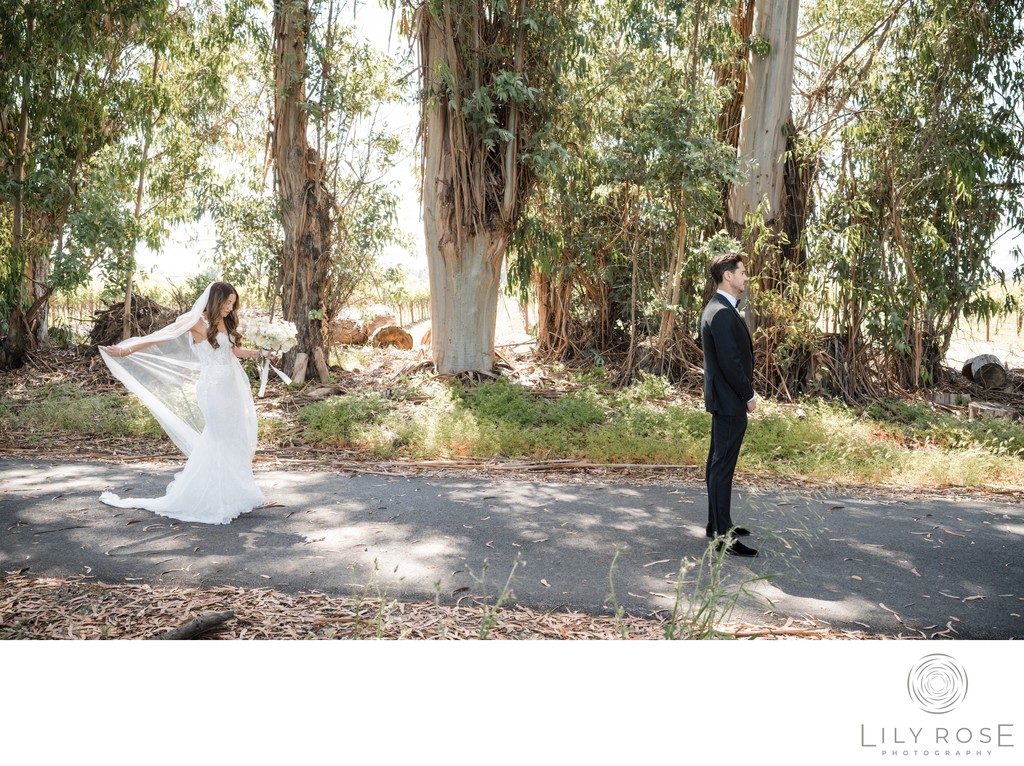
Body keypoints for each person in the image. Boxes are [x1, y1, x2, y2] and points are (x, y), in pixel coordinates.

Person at [98, 281, 269, 524]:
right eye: (227, 302)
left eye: (233, 303)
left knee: (233, 437)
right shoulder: (197, 321)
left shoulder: (226, 322)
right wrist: (127, 350)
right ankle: (211, 499)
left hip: (231, 389)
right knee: (218, 438)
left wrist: (260, 354)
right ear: (215, 300)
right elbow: (161, 335)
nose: (230, 308)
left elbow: (234, 352)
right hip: (212, 389)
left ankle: (236, 494)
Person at [700, 252, 758, 557]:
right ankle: (722, 537)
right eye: (742, 272)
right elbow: (731, 363)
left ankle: (717, 524)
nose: (746, 277)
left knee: (717, 465)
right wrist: (748, 395)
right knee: (722, 468)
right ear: (728, 276)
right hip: (730, 401)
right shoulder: (721, 312)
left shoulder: (718, 308)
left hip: (722, 400)